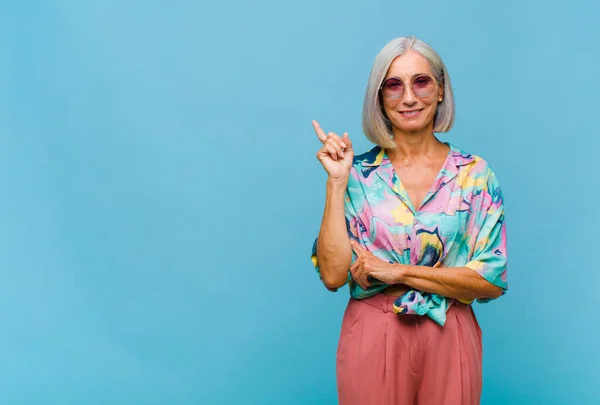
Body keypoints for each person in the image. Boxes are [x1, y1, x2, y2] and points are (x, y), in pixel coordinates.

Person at [310, 36, 508, 405]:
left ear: (440, 90)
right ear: (379, 98)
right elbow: (333, 275)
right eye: (394, 85)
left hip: (450, 328)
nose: (409, 97)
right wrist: (337, 181)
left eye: (421, 81)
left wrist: (396, 272)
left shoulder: (475, 175)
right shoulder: (357, 176)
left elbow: (491, 280)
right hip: (374, 328)